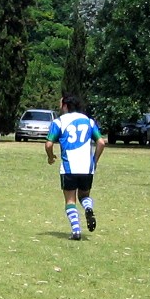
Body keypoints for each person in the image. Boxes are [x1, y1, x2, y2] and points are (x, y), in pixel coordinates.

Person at [46, 95, 105, 240]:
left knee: (70, 200)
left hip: (69, 167)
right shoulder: (89, 121)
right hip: (87, 167)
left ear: (66, 105)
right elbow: (101, 142)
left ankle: (76, 231)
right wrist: (94, 160)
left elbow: (48, 144)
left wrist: (50, 156)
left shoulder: (59, 122)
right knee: (84, 196)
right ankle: (88, 207)